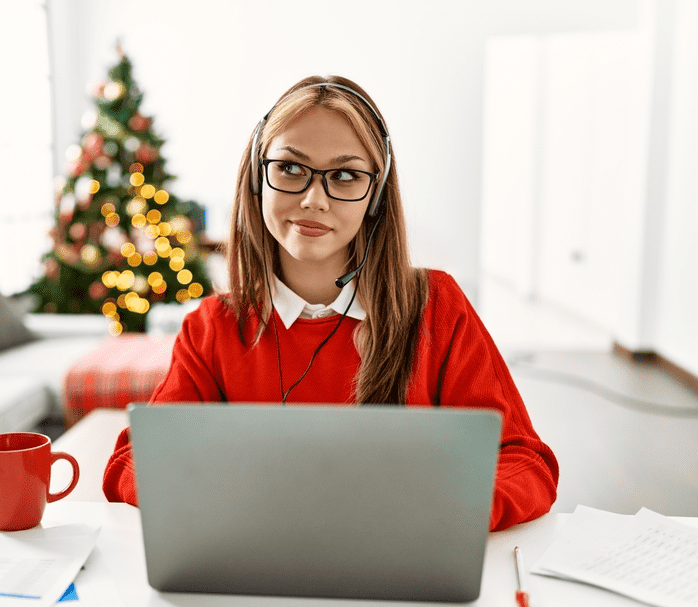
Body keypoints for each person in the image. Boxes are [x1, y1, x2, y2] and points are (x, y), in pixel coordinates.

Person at [102, 75, 559, 531]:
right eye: (290, 168)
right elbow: (133, 462)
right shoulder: (213, 328)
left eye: (344, 175)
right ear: (258, 178)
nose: (313, 199)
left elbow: (524, 462)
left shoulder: (437, 306)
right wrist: (227, 499)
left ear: (375, 195)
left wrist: (441, 511)